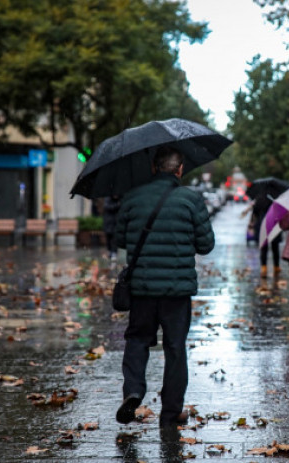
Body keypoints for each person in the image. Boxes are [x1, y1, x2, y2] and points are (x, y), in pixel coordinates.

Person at [114, 145, 215, 428]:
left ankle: (133, 390)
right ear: (180, 169)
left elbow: (121, 238)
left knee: (136, 340)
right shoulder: (190, 200)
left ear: (154, 168)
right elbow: (206, 245)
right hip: (176, 291)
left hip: (142, 289)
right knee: (175, 348)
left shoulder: (133, 197)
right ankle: (170, 413)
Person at [243, 194, 282, 278]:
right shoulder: (276, 199)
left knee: (264, 247)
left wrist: (252, 223)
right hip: (274, 225)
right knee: (275, 247)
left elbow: (255, 213)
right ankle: (276, 267)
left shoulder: (259, 199)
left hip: (262, 225)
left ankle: (264, 268)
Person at [103, 195, 121, 260]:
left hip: (116, 223)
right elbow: (107, 207)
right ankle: (110, 251)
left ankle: (114, 253)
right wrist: (117, 205)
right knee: (108, 238)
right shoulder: (107, 199)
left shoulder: (120, 199)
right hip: (108, 222)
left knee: (115, 238)